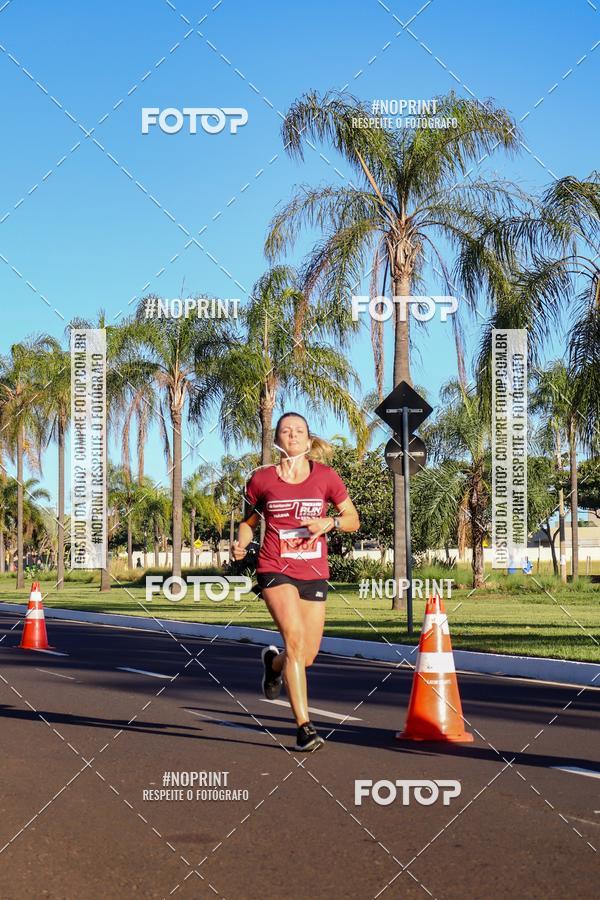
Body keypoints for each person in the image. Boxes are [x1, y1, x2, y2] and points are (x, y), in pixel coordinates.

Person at [231, 412, 360, 751]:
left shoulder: (327, 478)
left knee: (306, 655)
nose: (292, 436)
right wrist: (242, 543)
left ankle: (273, 665)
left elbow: (352, 519)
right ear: (277, 439)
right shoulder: (262, 480)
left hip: (313, 571)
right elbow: (248, 522)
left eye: (299, 431)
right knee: (295, 638)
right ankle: (304, 728)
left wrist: (328, 523)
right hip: (275, 567)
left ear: (307, 438)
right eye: (286, 431)